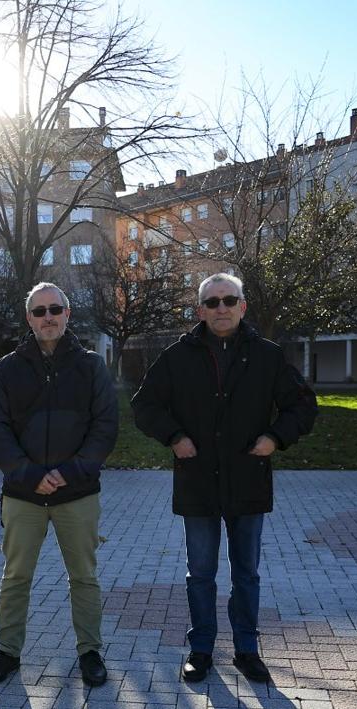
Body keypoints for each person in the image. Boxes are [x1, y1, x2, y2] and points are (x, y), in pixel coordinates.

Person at [131, 274, 317, 684]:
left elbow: (303, 406)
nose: (220, 308)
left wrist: (275, 437)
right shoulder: (178, 356)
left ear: (242, 306)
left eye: (228, 300)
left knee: (246, 572)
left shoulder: (268, 356)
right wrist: (174, 437)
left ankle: (247, 650)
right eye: (211, 302)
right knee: (200, 573)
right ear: (200, 310)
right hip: (197, 480)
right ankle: (201, 649)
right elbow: (144, 405)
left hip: (248, 479)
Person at [0, 283, 118, 687]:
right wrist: (28, 475)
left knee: (84, 577)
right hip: (23, 494)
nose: (47, 317)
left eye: (55, 309)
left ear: (68, 313)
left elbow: (105, 426)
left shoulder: (92, 366)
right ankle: (7, 652)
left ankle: (90, 652)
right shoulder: (8, 368)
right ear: (29, 318)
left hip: (77, 493)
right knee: (16, 577)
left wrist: (70, 472)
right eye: (39, 311)